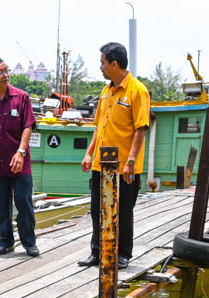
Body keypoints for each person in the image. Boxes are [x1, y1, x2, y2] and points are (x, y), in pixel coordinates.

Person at [78, 42, 151, 270]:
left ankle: (123, 254)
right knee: (97, 209)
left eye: (102, 62)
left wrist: (130, 161)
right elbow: (99, 126)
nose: (100, 67)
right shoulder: (106, 91)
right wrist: (89, 154)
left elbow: (141, 128)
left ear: (114, 63)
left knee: (123, 210)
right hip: (102, 163)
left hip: (124, 167)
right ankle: (97, 251)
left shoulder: (137, 91)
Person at [0, 56, 39, 257]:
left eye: (6, 70)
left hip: (19, 162)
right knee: (1, 203)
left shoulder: (22, 97)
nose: (5, 75)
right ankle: (6, 241)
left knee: (23, 200)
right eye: (0, 72)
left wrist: (21, 152)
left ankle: (29, 242)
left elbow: (28, 126)